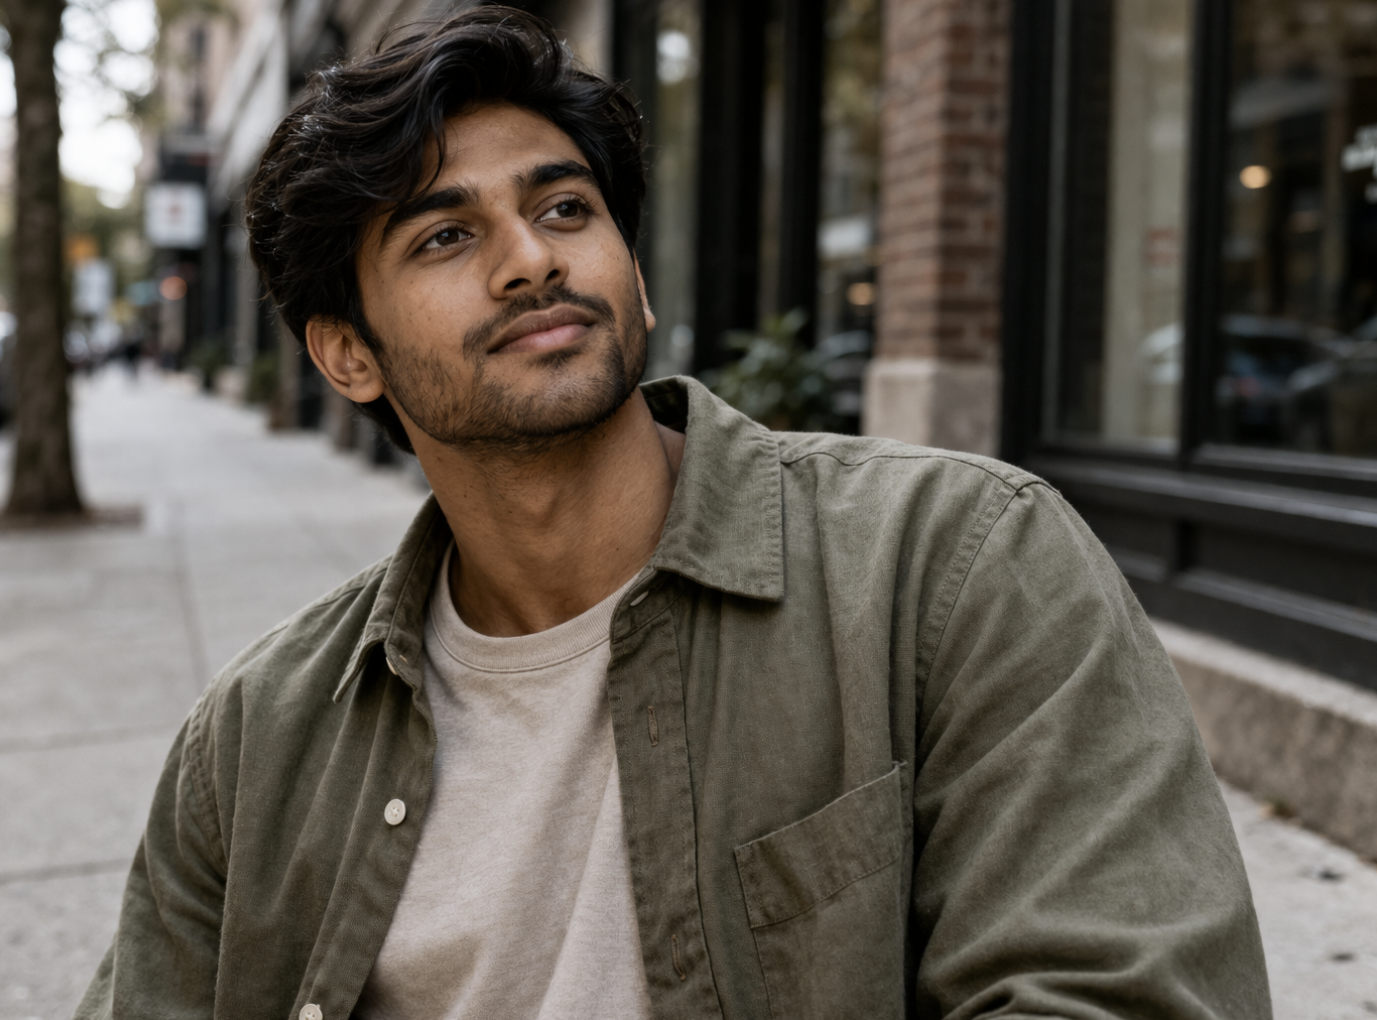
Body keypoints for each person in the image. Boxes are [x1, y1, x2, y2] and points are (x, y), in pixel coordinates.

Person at [76, 8, 1271, 1019]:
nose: (529, 262)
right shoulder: (255, 746)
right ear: (347, 356)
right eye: (448, 235)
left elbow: (1118, 987)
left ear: (633, 272)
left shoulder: (953, 567)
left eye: (563, 210)